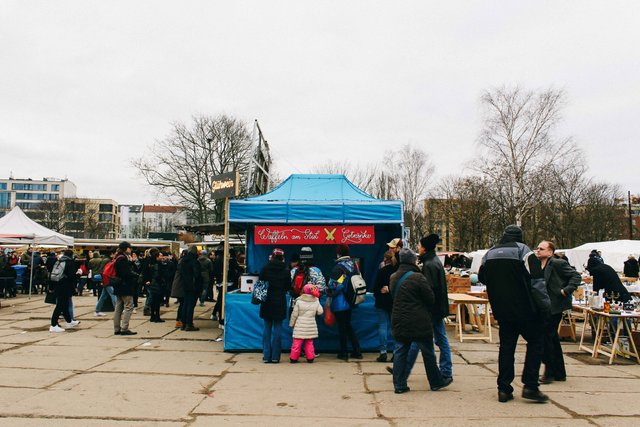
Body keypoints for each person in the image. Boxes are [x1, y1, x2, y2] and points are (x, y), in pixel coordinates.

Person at [479, 225, 548, 403]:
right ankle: (530, 385)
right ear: (520, 237)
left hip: (502, 310)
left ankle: (504, 388)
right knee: (536, 342)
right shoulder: (525, 252)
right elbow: (537, 282)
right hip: (526, 309)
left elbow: (482, 277)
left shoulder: (489, 254)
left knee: (506, 348)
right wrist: (545, 306)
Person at [390, 248, 451, 393]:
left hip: (399, 319)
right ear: (413, 260)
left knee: (400, 351)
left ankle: (399, 385)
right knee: (428, 352)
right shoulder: (418, 277)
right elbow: (430, 298)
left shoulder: (393, 277)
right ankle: (436, 382)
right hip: (419, 320)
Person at [535, 240, 580, 384]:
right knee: (552, 338)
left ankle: (549, 372)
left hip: (555, 306)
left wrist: (565, 291)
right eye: (537, 248)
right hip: (544, 305)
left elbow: (576, 276)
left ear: (550, 252)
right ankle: (559, 372)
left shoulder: (557, 263)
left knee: (546, 338)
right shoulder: (539, 264)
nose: (538, 251)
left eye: (541, 249)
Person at [418, 234, 453, 382]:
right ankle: (445, 370)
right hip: (437, 308)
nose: (418, 248)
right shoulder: (434, 261)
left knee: (422, 340)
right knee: (439, 339)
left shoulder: (430, 264)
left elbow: (429, 290)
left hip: (433, 309)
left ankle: (445, 371)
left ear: (424, 248)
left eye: (419, 246)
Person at [327, 243, 362, 361]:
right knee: (348, 326)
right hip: (351, 300)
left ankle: (344, 352)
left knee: (343, 327)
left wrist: (329, 292)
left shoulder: (339, 267)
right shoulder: (354, 265)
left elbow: (335, 285)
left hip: (340, 302)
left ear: (339, 253)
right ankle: (356, 350)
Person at [259, 248, 291, 363]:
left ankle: (266, 356)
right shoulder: (286, 271)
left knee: (267, 328)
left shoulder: (265, 269)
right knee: (278, 329)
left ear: (272, 256)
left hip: (267, 301)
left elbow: (260, 285)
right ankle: (275, 357)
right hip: (279, 302)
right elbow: (288, 287)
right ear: (282, 257)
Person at [289, 283, 323, 363]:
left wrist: (292, 323)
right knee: (309, 343)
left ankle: (293, 358)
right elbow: (320, 312)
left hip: (300, 325)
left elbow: (294, 314)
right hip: (310, 324)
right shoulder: (316, 300)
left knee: (297, 343)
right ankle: (310, 358)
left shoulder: (299, 300)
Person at [373, 250, 396, 362]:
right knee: (394, 327)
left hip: (382, 302)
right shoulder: (397, 271)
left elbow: (375, 289)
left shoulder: (381, 271)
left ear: (385, 259)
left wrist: (381, 291)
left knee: (382, 326)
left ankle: (383, 352)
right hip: (394, 302)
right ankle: (396, 352)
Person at [49, 249, 80, 332]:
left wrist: (51, 287)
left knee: (65, 304)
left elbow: (52, 274)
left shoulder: (59, 261)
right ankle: (53, 324)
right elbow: (71, 276)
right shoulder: (70, 262)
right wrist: (78, 274)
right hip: (65, 286)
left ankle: (69, 321)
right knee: (60, 305)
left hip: (57, 284)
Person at [113, 241, 139, 336]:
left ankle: (117, 328)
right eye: (130, 247)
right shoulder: (123, 258)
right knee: (129, 306)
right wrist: (134, 274)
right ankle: (124, 328)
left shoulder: (117, 257)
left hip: (118, 285)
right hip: (125, 286)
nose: (131, 249)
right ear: (126, 248)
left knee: (118, 307)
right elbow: (126, 273)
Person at [174, 245, 202, 331]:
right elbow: (197, 274)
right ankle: (189, 324)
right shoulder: (194, 261)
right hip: (193, 286)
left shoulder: (183, 261)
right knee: (190, 305)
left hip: (185, 286)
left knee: (185, 305)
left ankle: (184, 323)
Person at [94, 252, 117, 317]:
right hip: (107, 280)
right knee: (113, 294)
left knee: (103, 296)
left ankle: (97, 311)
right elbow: (105, 271)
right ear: (111, 254)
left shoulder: (105, 260)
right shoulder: (108, 261)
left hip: (105, 280)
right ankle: (117, 309)